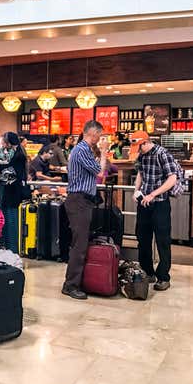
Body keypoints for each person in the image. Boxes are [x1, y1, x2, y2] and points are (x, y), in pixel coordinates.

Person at [62, 120, 109, 300]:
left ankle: (74, 282)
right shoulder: (82, 150)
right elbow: (99, 172)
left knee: (79, 243)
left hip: (82, 200)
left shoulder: (82, 150)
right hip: (79, 200)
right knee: (79, 244)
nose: (100, 139)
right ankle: (71, 285)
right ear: (93, 133)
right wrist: (103, 152)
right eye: (100, 135)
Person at [131, 130, 178, 292]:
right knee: (142, 238)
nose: (137, 150)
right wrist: (136, 190)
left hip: (160, 204)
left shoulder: (162, 154)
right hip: (144, 203)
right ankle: (148, 272)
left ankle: (163, 277)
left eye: (139, 147)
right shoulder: (142, 156)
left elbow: (172, 178)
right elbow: (140, 173)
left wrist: (153, 194)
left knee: (162, 240)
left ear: (145, 142)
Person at [0, 132, 28, 253]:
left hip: (9, 193)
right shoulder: (18, 153)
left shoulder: (16, 156)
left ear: (8, 143)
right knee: (7, 220)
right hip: (10, 192)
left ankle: (11, 250)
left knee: (9, 221)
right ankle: (8, 250)